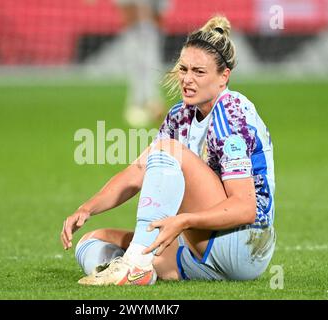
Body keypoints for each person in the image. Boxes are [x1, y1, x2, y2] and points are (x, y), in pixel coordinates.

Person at [61, 15, 276, 285]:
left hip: (245, 245)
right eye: (184, 69)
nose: (187, 79)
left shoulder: (231, 112)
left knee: (168, 149)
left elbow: (246, 208)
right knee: (92, 244)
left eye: (199, 72)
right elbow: (137, 172)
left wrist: (184, 221)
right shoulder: (180, 115)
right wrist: (87, 208)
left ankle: (136, 265)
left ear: (223, 77)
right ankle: (148, 269)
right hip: (202, 247)